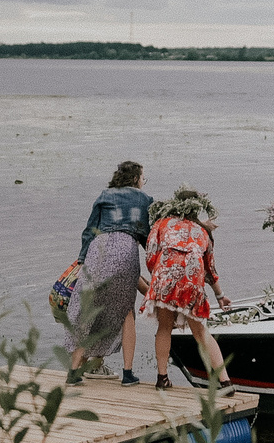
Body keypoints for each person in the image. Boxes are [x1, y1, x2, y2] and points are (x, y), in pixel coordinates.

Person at [71, 160, 153, 383]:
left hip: (98, 248)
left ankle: (73, 372)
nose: (143, 181)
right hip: (126, 247)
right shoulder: (145, 200)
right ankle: (127, 374)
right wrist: (154, 264)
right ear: (136, 178)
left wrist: (81, 261)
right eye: (143, 177)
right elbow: (148, 236)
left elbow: (89, 230)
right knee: (126, 312)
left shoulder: (104, 195)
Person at [145, 187, 229, 389]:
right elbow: (210, 269)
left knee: (164, 327)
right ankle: (225, 381)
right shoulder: (203, 232)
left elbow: (151, 256)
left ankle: (162, 378)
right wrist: (220, 296)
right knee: (200, 332)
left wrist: (160, 276)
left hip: (166, 278)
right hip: (192, 283)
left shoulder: (161, 224)